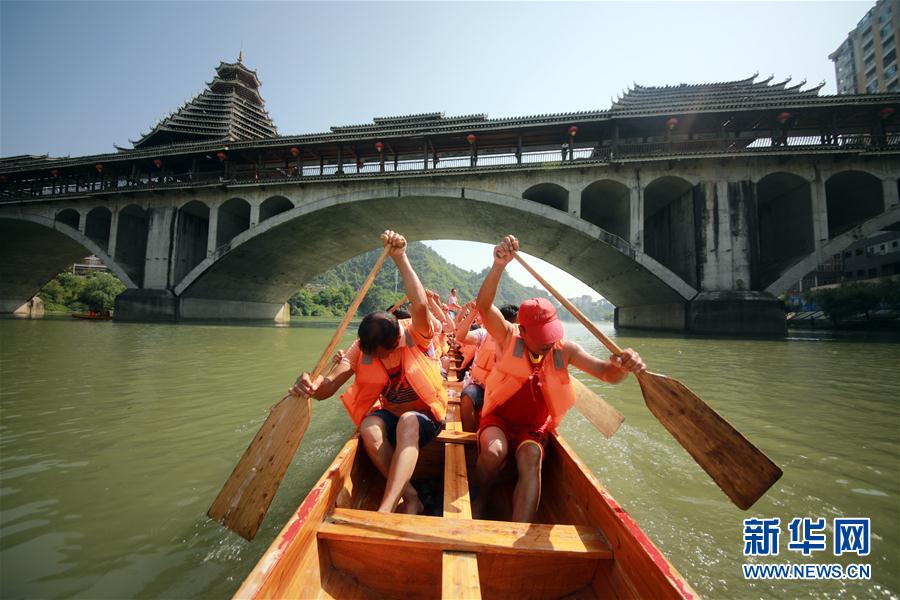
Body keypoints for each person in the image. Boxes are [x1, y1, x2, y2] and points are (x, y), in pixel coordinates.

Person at [472, 235, 646, 522]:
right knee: (493, 452)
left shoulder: (565, 350)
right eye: (539, 339)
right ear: (522, 331)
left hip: (533, 429)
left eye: (550, 337)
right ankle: (479, 495)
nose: (547, 344)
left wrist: (623, 365)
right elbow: (484, 306)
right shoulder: (506, 336)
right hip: (500, 420)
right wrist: (498, 266)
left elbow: (606, 374)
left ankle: (519, 534)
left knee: (531, 459)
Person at [291, 230, 448, 515]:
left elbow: (420, 304)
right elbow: (329, 386)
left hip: (425, 416)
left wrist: (400, 257)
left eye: (379, 353)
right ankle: (411, 496)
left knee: (408, 423)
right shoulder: (360, 348)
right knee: (368, 428)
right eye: (369, 351)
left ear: (393, 343)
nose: (372, 357)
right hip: (391, 415)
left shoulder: (416, 335)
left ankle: (386, 507)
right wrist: (310, 386)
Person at [457, 302, 518, 431]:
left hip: (504, 390)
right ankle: (470, 439)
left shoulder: (520, 342)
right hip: (481, 386)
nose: (515, 328)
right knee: (467, 396)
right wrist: (473, 313)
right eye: (514, 324)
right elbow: (460, 337)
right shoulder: (484, 334)